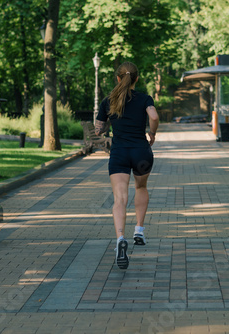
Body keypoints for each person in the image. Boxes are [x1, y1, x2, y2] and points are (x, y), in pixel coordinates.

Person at [95, 61, 159, 270]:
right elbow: (154, 116)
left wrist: (101, 130)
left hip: (119, 153)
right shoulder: (144, 98)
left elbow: (98, 129)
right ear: (136, 79)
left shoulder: (108, 101)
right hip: (141, 151)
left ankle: (120, 239)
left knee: (119, 199)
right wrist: (153, 133)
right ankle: (138, 230)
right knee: (141, 187)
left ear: (118, 78)